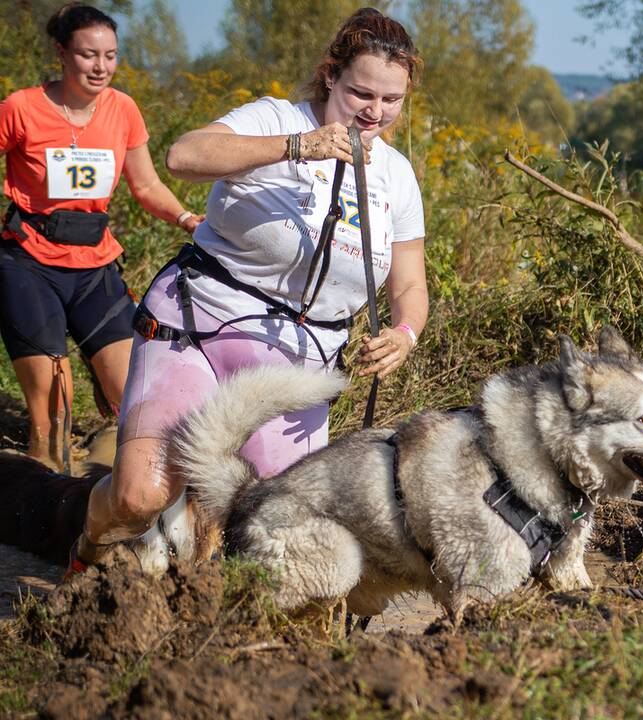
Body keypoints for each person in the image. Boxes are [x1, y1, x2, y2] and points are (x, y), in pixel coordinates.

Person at [69, 7, 429, 574]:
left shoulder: (397, 175)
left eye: (392, 101)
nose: (375, 112)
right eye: (362, 93)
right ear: (331, 74)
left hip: (298, 364)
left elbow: (409, 282)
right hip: (199, 324)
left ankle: (212, 614)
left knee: (277, 525)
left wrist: (405, 334)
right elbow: (183, 156)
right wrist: (296, 147)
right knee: (140, 495)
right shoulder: (274, 118)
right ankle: (88, 547)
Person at [0, 2, 202, 470]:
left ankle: (108, 482)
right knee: (55, 412)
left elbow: (147, 185)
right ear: (62, 53)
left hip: (94, 264)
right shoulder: (21, 108)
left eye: (110, 55)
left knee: (134, 395)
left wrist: (188, 218)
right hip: (29, 261)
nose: (101, 66)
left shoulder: (122, 109)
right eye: (89, 55)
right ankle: (42, 490)